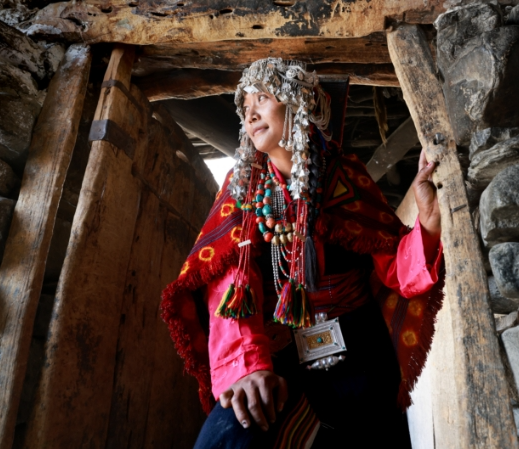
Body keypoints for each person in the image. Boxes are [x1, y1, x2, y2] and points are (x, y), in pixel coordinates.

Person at [160, 58, 445, 449]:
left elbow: (396, 269)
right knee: (230, 434)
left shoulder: (344, 175)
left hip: (359, 351)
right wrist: (247, 369)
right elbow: (229, 285)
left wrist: (428, 224)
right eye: (245, 107)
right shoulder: (242, 188)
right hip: (276, 356)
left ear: (298, 102)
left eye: (262, 98)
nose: (251, 113)